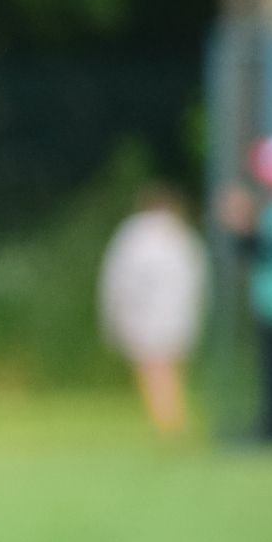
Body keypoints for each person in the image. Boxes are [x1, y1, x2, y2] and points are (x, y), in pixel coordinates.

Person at [97, 184, 206, 438]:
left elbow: (118, 279)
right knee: (170, 369)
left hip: (144, 314)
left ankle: (168, 423)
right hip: (178, 315)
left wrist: (113, 316)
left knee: (153, 369)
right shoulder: (185, 236)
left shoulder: (134, 235)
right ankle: (173, 419)